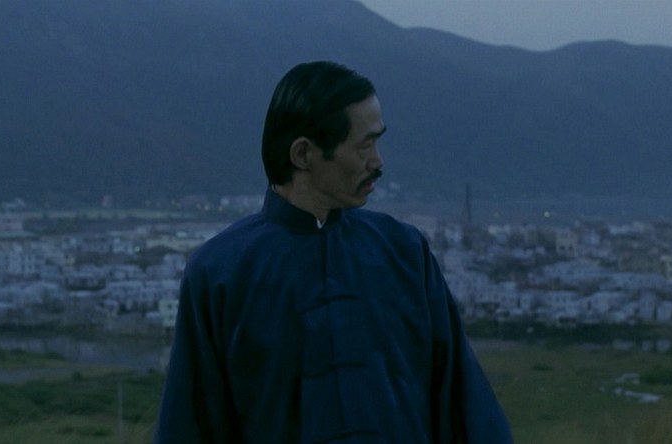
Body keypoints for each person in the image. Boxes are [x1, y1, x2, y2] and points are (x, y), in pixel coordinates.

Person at [154, 61, 513, 443]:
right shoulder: (220, 273)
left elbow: (463, 406)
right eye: (364, 145)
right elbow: (191, 424)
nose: (377, 161)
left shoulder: (405, 253)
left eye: (377, 142)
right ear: (303, 154)